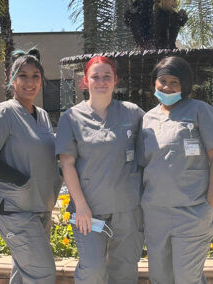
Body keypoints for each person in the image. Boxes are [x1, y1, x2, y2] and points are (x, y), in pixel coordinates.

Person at [0, 49, 62, 284]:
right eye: (23, 75)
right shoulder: (4, 113)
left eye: (35, 76)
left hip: (40, 207)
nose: (30, 82)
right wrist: (19, 179)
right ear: (12, 79)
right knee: (42, 273)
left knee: (24, 273)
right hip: (15, 209)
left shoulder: (42, 115)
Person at [55, 56, 145, 284]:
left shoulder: (133, 113)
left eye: (107, 76)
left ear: (116, 80)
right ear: (85, 81)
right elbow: (67, 164)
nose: (101, 81)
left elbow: (154, 147)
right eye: (95, 77)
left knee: (125, 271)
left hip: (127, 210)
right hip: (89, 212)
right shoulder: (71, 118)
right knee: (92, 270)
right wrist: (82, 206)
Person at [139, 56, 213, 284]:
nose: (167, 86)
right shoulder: (147, 119)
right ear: (154, 83)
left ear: (185, 85)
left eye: (174, 82)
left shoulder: (201, 111)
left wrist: (208, 204)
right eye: (163, 80)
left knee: (187, 279)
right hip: (155, 213)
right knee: (160, 278)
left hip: (191, 213)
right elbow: (143, 166)